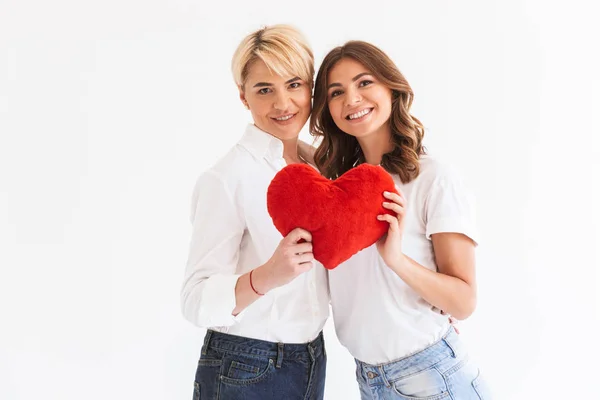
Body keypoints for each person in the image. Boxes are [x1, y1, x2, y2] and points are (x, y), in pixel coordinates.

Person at [310, 40, 491, 399]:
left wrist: (395, 259)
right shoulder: (337, 190)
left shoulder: (431, 177)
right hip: (369, 380)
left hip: (432, 378)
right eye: (336, 92)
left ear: (392, 88)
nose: (352, 99)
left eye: (364, 83)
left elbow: (463, 301)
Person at [180, 25, 329, 400]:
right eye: (265, 89)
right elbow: (195, 301)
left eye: (294, 84)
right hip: (247, 365)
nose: (283, 104)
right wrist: (266, 275)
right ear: (243, 97)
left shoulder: (321, 165)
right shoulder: (227, 177)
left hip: (312, 357)